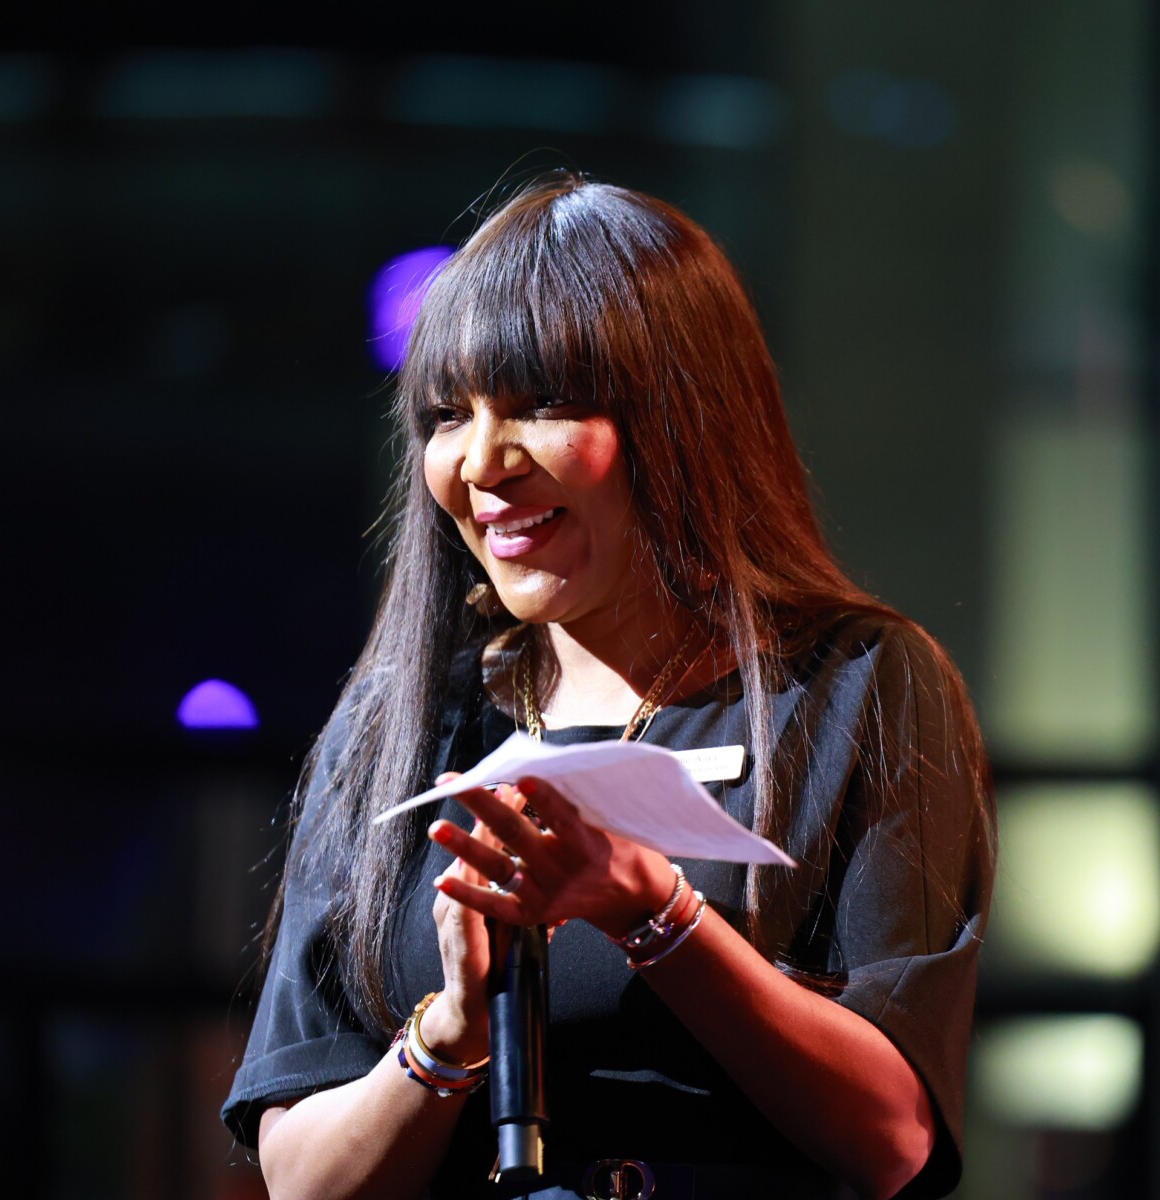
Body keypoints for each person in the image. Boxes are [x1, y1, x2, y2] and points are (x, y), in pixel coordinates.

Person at [221, 173, 995, 1200]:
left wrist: (656, 913)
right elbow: (301, 1183)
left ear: (682, 417)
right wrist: (449, 1034)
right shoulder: (400, 723)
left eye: (541, 405)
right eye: (448, 415)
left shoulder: (860, 687)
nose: (482, 462)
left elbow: (894, 1140)